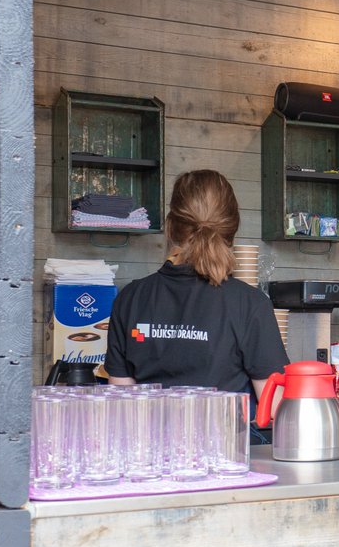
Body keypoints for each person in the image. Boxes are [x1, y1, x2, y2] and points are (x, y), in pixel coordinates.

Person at [105, 169, 289, 397]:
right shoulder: (249, 304)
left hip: (148, 432)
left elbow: (122, 400)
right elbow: (274, 405)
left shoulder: (130, 298)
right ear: (232, 229)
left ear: (171, 226)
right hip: (227, 433)